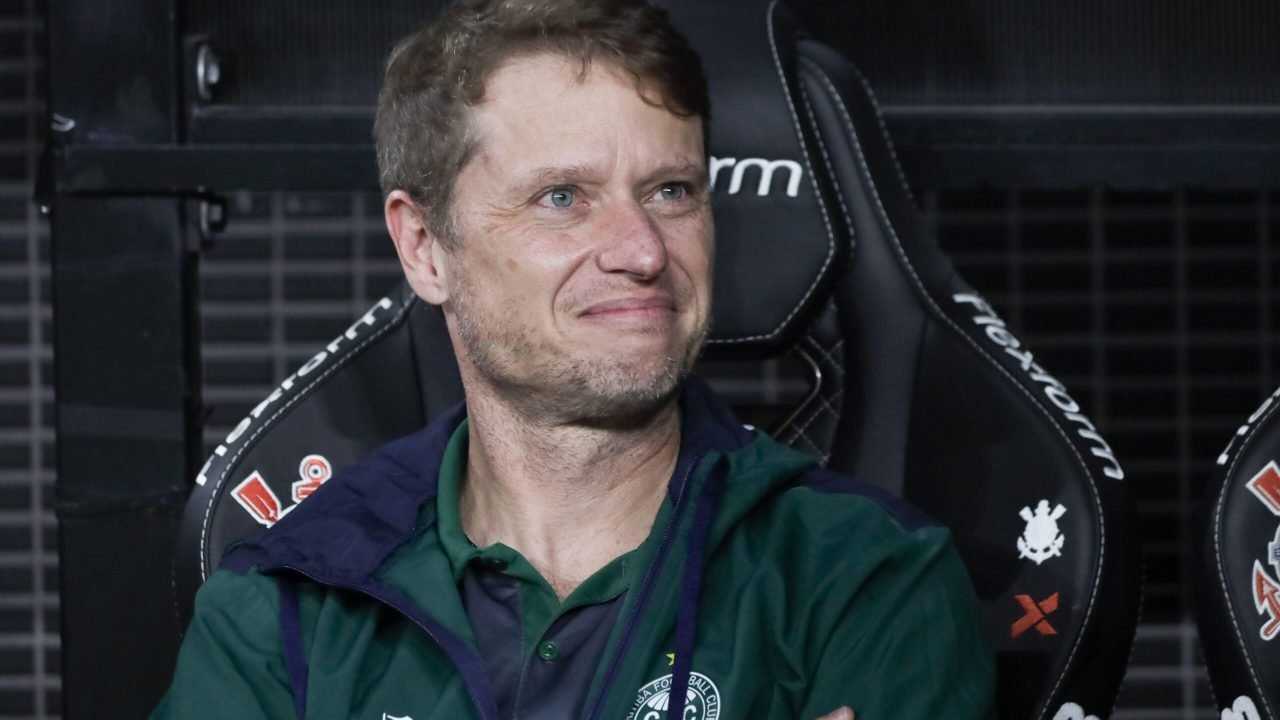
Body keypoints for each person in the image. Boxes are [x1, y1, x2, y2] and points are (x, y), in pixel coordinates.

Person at [152, 0, 994, 718]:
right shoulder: (285, 607)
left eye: (672, 191)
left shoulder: (867, 580)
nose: (641, 249)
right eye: (562, 198)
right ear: (424, 248)